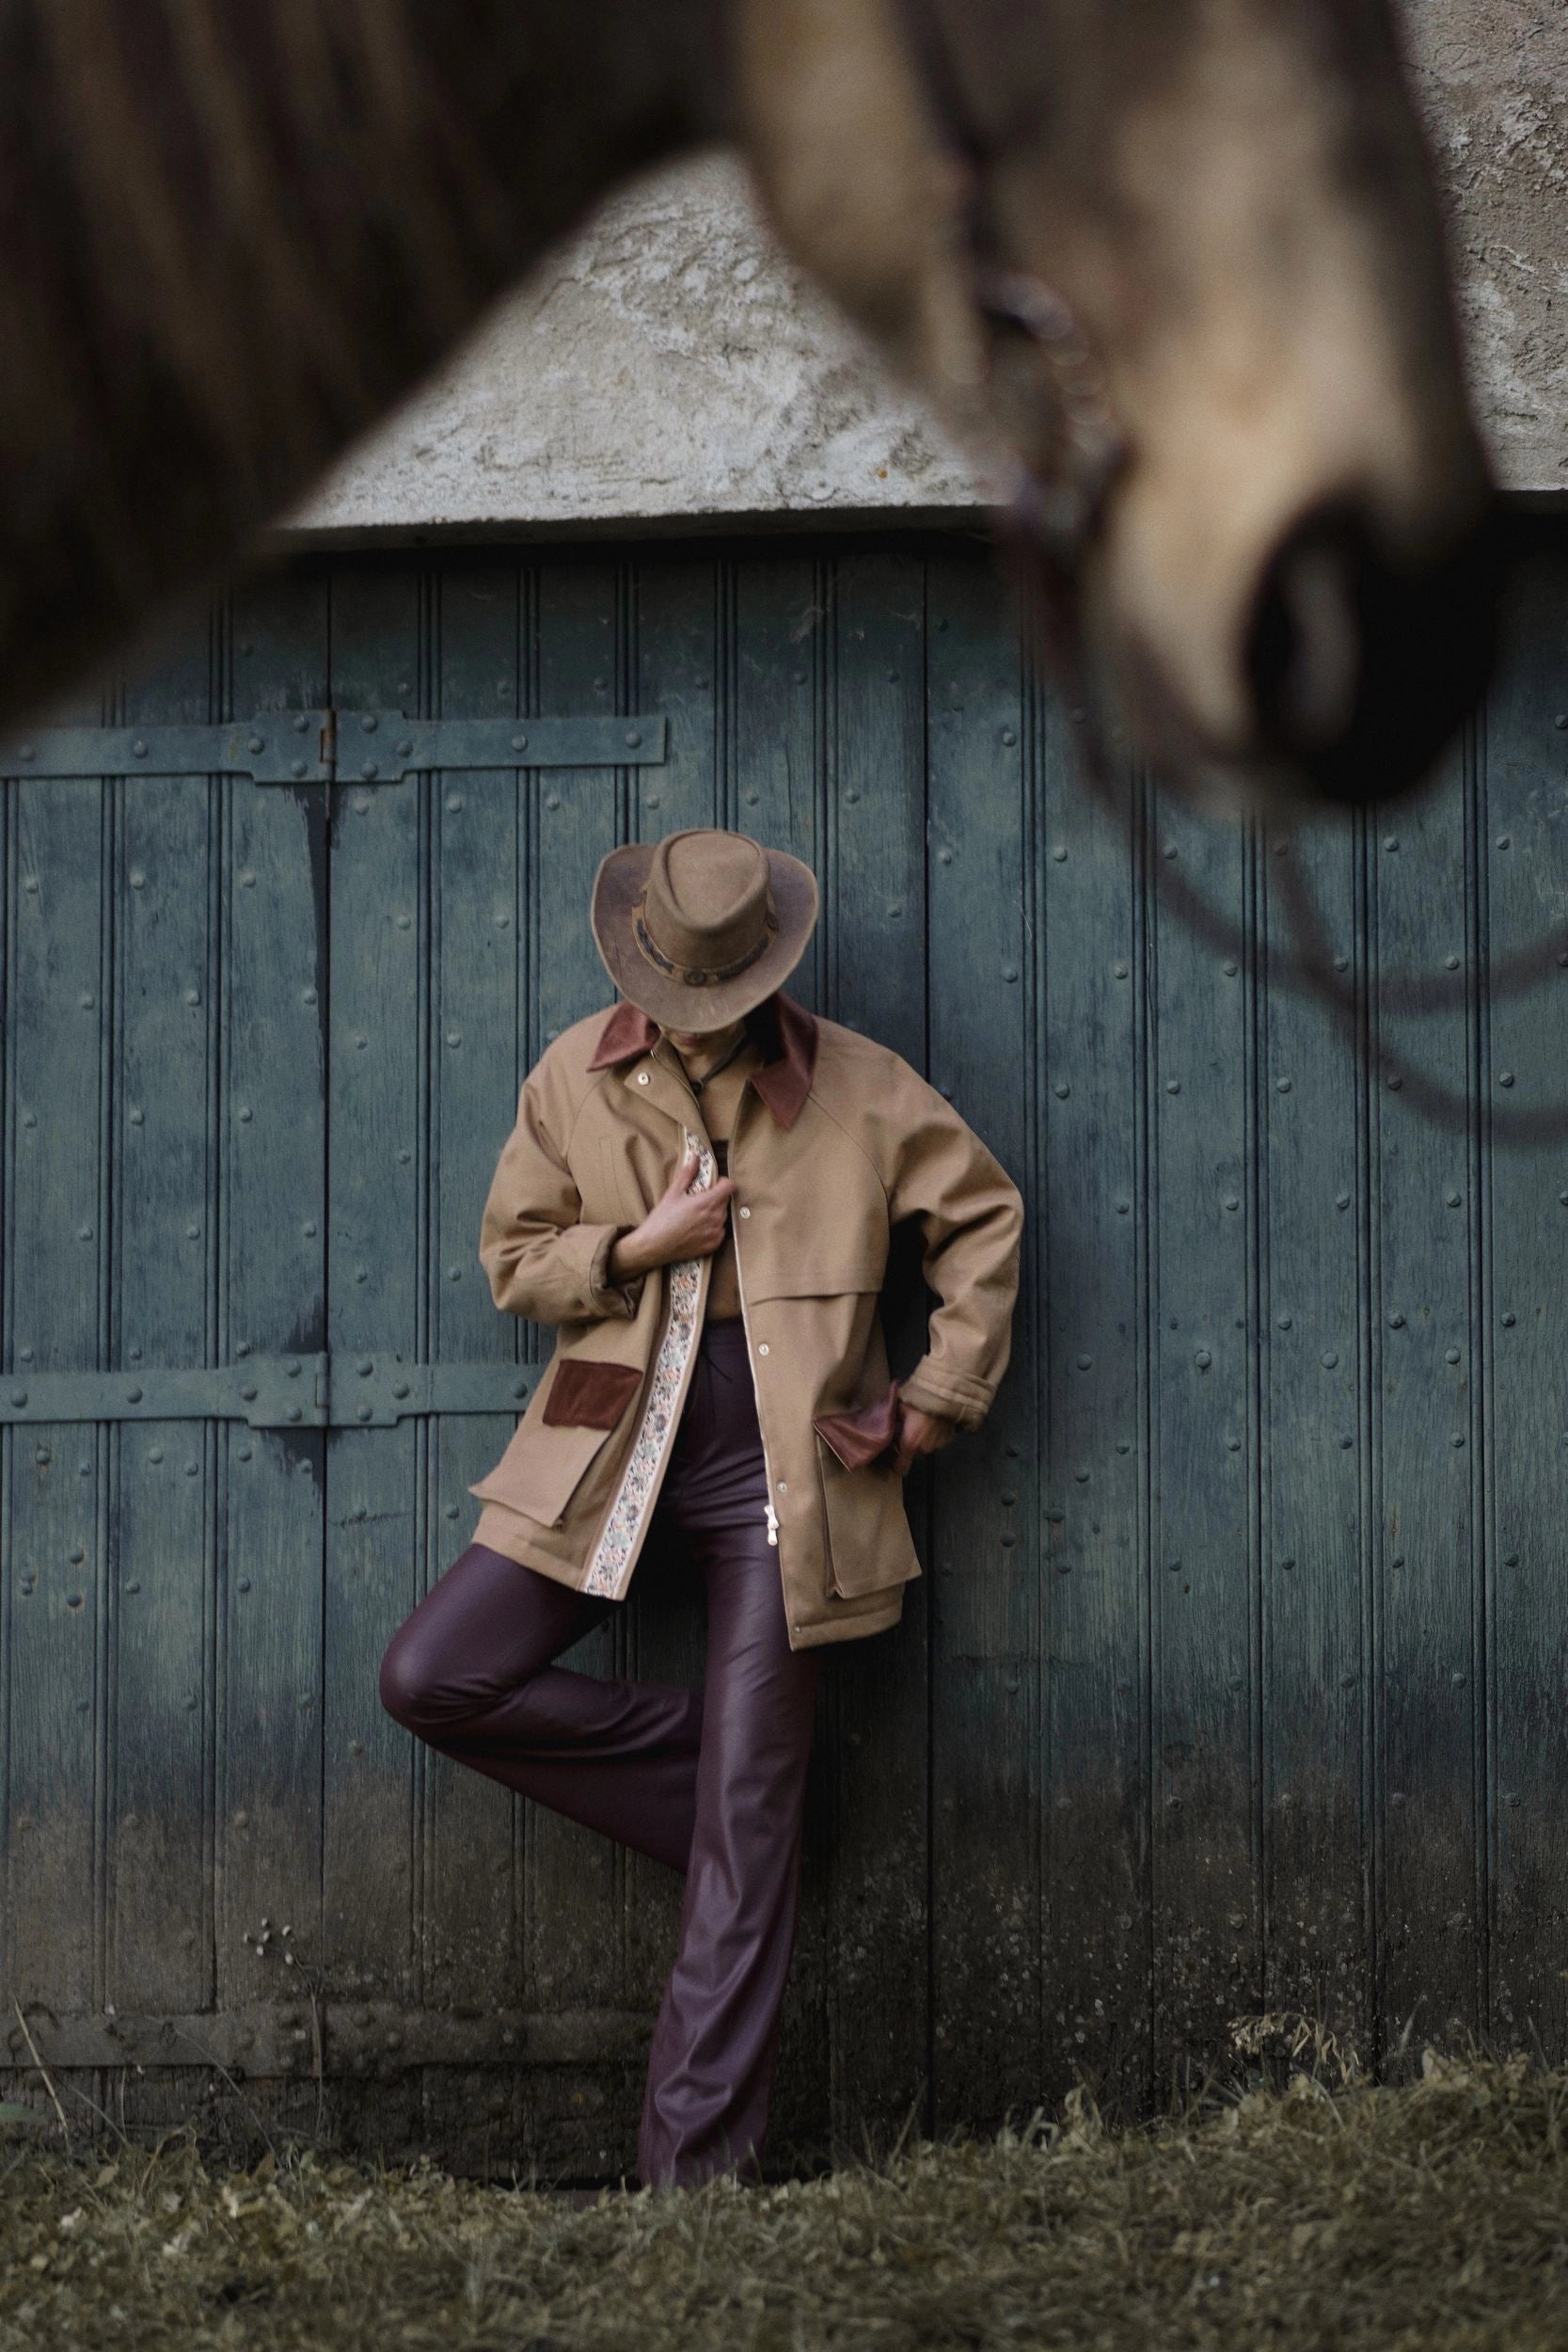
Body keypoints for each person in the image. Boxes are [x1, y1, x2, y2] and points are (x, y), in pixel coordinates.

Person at [378, 826, 1022, 2188]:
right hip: (607, 1451)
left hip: (789, 1472)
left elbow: (984, 1221)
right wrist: (633, 1248)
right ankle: (753, 1793)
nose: (687, 1021)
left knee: (741, 1841)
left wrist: (935, 1398)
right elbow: (512, 1259)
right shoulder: (574, 1073)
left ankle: (692, 2189)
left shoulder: (861, 1088)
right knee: (433, 1675)